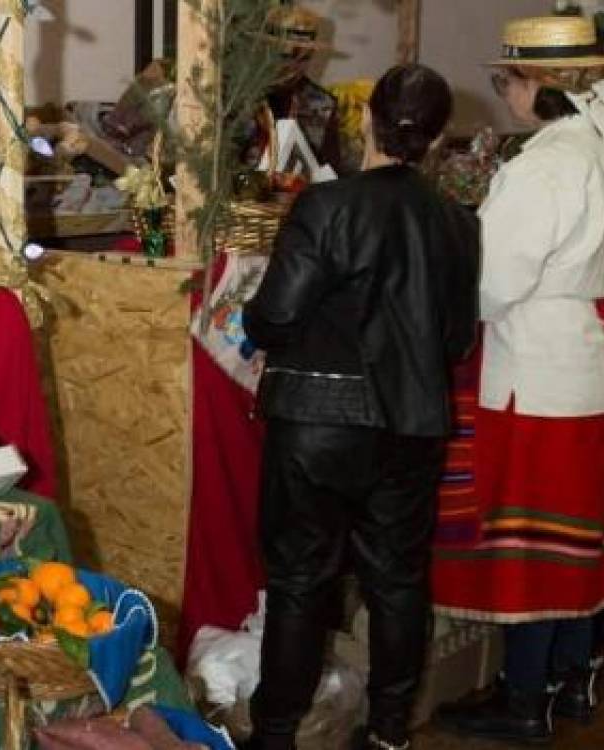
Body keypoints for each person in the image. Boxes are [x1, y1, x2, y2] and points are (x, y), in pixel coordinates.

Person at [242, 64, 479, 750]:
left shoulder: (327, 205)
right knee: (398, 582)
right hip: (411, 424)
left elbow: (273, 317)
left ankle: (275, 734)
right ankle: (387, 732)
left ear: (364, 120)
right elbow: (457, 339)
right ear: (436, 140)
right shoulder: (459, 225)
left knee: (298, 583)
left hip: (317, 419)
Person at [434, 15, 604, 743]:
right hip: (583, 353)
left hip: (537, 363)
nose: (504, 94)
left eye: (506, 81)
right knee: (578, 532)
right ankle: (565, 682)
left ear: (537, 84)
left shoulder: (547, 162)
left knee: (534, 540)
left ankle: (523, 699)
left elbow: (493, 279)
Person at [238, 4, 342, 172]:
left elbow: (332, 175)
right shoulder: (235, 98)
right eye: (286, 56)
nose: (294, 67)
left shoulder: (324, 105)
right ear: (264, 51)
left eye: (304, 58)